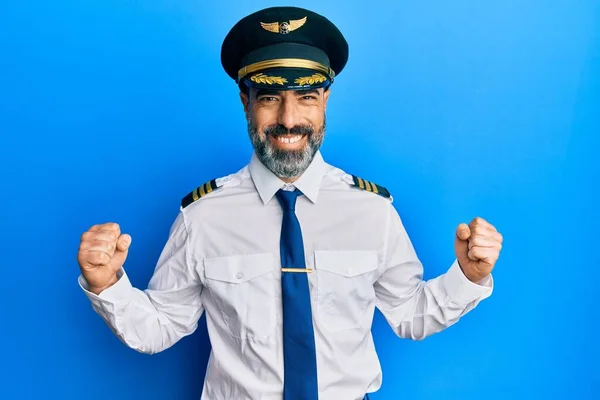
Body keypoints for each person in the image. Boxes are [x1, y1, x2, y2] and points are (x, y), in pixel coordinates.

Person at [77, 6, 503, 400]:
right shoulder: (202, 216)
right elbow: (161, 325)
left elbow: (409, 313)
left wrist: (467, 277)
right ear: (245, 101)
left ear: (325, 101)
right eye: (268, 97)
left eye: (306, 96)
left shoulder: (373, 211)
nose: (288, 118)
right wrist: (106, 286)